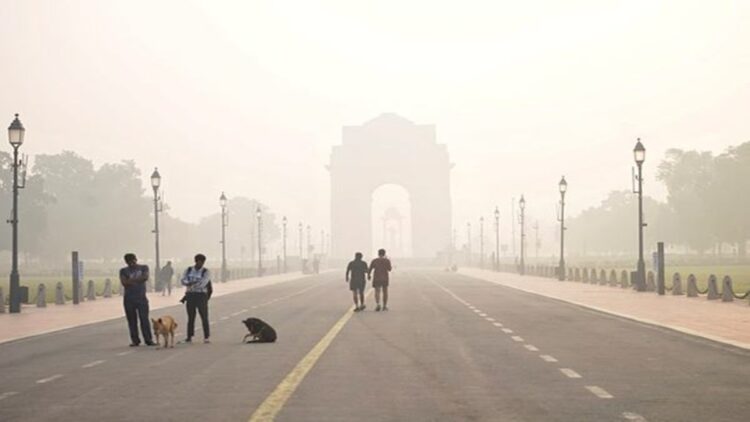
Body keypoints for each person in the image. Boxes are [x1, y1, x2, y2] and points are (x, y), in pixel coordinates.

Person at [119, 253, 155, 347]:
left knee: (144, 319)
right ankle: (135, 340)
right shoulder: (123, 271)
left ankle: (148, 339)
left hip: (141, 298)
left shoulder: (143, 267)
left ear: (136, 259)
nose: (131, 263)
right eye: (129, 262)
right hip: (129, 299)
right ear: (126, 262)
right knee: (132, 320)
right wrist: (137, 280)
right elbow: (124, 283)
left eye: (132, 261)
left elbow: (145, 277)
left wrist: (131, 280)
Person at [180, 254, 212, 343]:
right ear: (195, 261)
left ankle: (206, 336)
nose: (200, 264)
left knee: (204, 316)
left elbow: (203, 283)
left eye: (202, 262)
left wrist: (190, 283)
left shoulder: (206, 271)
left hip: (201, 295)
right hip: (190, 295)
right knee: (191, 317)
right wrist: (190, 283)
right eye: (199, 262)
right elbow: (183, 280)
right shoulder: (189, 270)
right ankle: (189, 336)